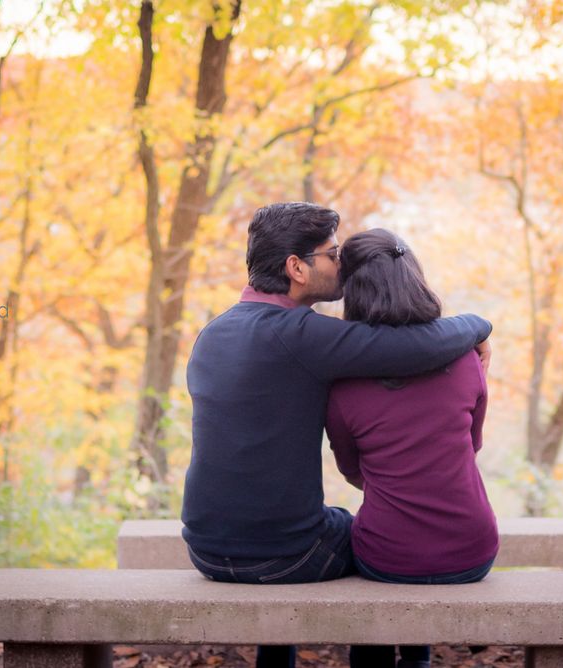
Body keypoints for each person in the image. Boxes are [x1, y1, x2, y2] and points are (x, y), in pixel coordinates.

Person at [182, 203, 493, 668]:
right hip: (284, 557)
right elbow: (414, 346)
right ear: (296, 268)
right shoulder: (301, 334)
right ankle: (410, 659)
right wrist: (477, 325)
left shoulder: (213, 332)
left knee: (327, 522)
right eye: (331, 255)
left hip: (205, 548)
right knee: (374, 538)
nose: (341, 266)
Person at [325, 228, 499, 668]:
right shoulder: (465, 361)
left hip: (389, 556)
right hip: (471, 550)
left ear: (354, 293)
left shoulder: (343, 384)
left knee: (360, 538)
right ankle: (418, 658)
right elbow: (471, 445)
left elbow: (352, 470)